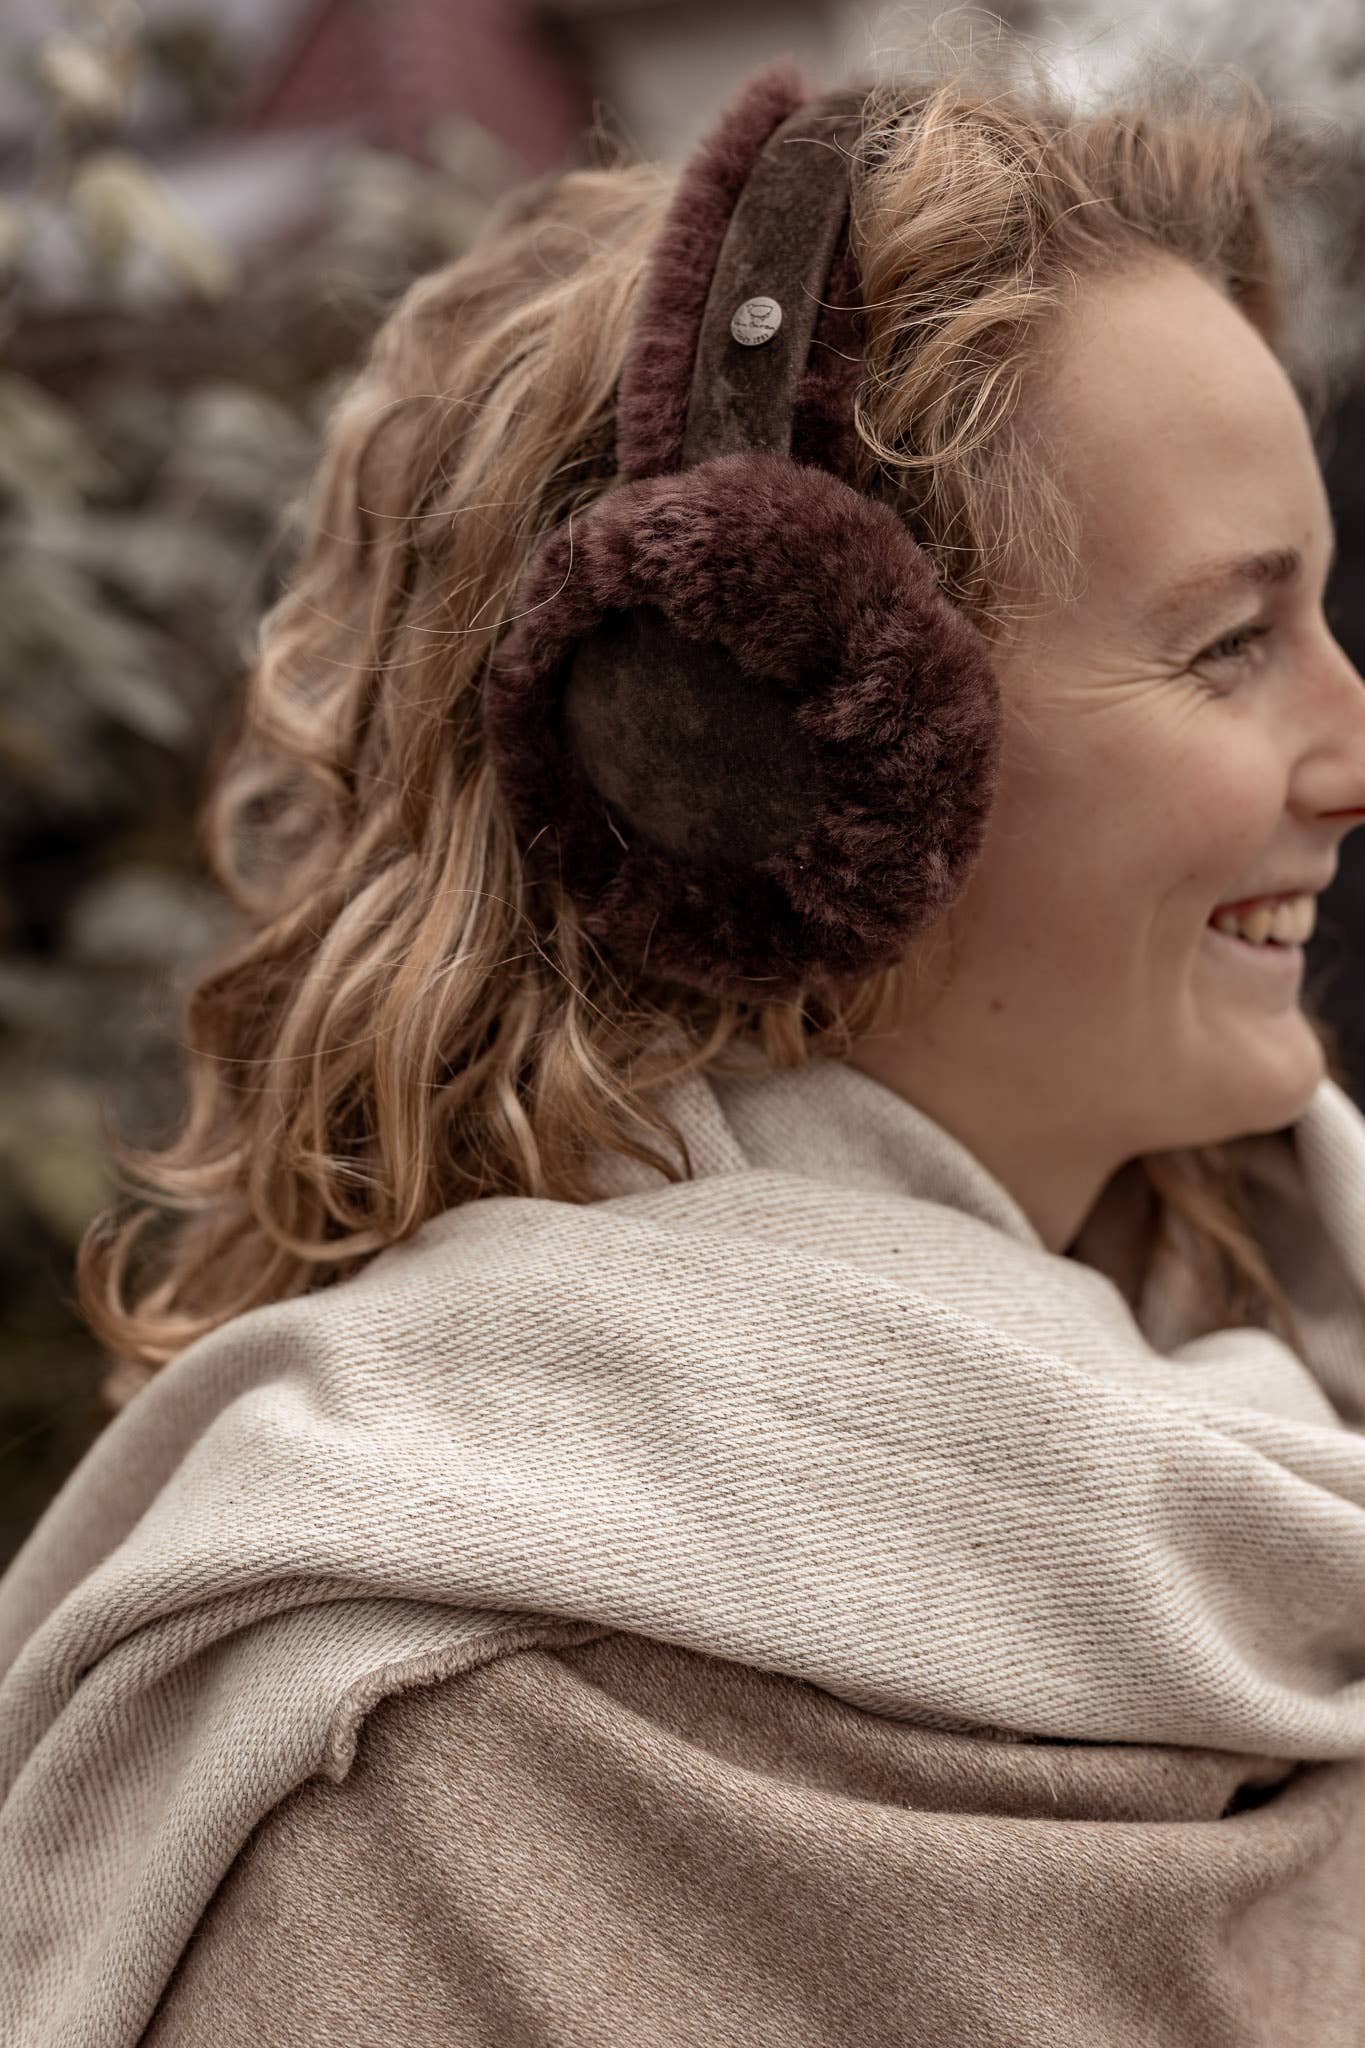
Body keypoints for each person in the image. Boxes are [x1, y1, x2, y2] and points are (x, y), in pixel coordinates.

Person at [5, 35, 1365, 2048]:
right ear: (771, 746)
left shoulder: (1283, 1478)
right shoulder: (434, 1768)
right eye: (1229, 643)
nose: (1348, 753)